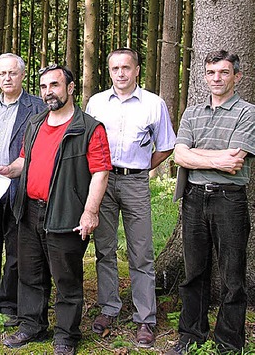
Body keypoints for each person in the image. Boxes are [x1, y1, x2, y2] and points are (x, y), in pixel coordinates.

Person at [0, 65, 111, 355]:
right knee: (30, 273)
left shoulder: (89, 128)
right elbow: (25, 159)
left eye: (55, 85)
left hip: (66, 213)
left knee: (66, 278)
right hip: (29, 211)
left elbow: (100, 172)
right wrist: (9, 169)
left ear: (70, 88)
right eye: (44, 86)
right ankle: (32, 324)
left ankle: (66, 335)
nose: (49, 91)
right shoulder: (35, 123)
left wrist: (90, 212)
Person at [85, 47, 176, 347]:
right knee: (104, 249)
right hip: (103, 182)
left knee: (141, 253)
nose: (121, 73)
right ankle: (109, 308)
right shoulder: (97, 103)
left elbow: (165, 145)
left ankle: (145, 319)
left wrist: (141, 169)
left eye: (126, 67)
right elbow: (86, 143)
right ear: (109, 71)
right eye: (115, 68)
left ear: (137, 70)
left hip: (136, 183)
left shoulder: (153, 104)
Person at [167, 50, 255, 355]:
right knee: (195, 273)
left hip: (229, 201)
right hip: (193, 200)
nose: (216, 78)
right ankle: (191, 335)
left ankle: (228, 342)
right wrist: (217, 157)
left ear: (236, 76)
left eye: (224, 72)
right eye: (211, 73)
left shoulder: (248, 112)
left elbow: (237, 161)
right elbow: (179, 156)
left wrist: (197, 156)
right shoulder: (192, 113)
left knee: (232, 275)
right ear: (204, 76)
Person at [0, 53, 46, 327]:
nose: (7, 78)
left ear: (23, 75)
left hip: (19, 187)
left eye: (12, 73)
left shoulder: (36, 107)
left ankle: (9, 302)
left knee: (16, 248)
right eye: (2, 73)